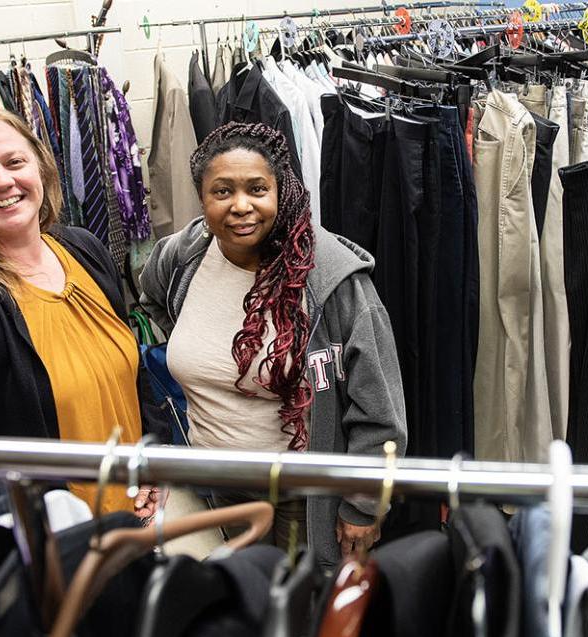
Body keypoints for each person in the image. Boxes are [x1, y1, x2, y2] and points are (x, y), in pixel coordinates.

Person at [140, 121, 407, 568]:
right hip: (210, 490)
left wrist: (363, 505)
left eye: (256, 189)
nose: (240, 206)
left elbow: (381, 414)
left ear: (280, 192)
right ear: (202, 198)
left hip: (296, 501)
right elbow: (154, 301)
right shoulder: (181, 257)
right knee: (232, 612)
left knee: (295, 621)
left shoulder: (331, 280)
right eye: (221, 191)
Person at [0, 106, 167, 517]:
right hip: (56, 549)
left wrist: (153, 460)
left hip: (137, 518)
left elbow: (133, 376)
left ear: (40, 167)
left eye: (14, 162)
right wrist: (55, 527)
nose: (1, 181)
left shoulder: (83, 249)